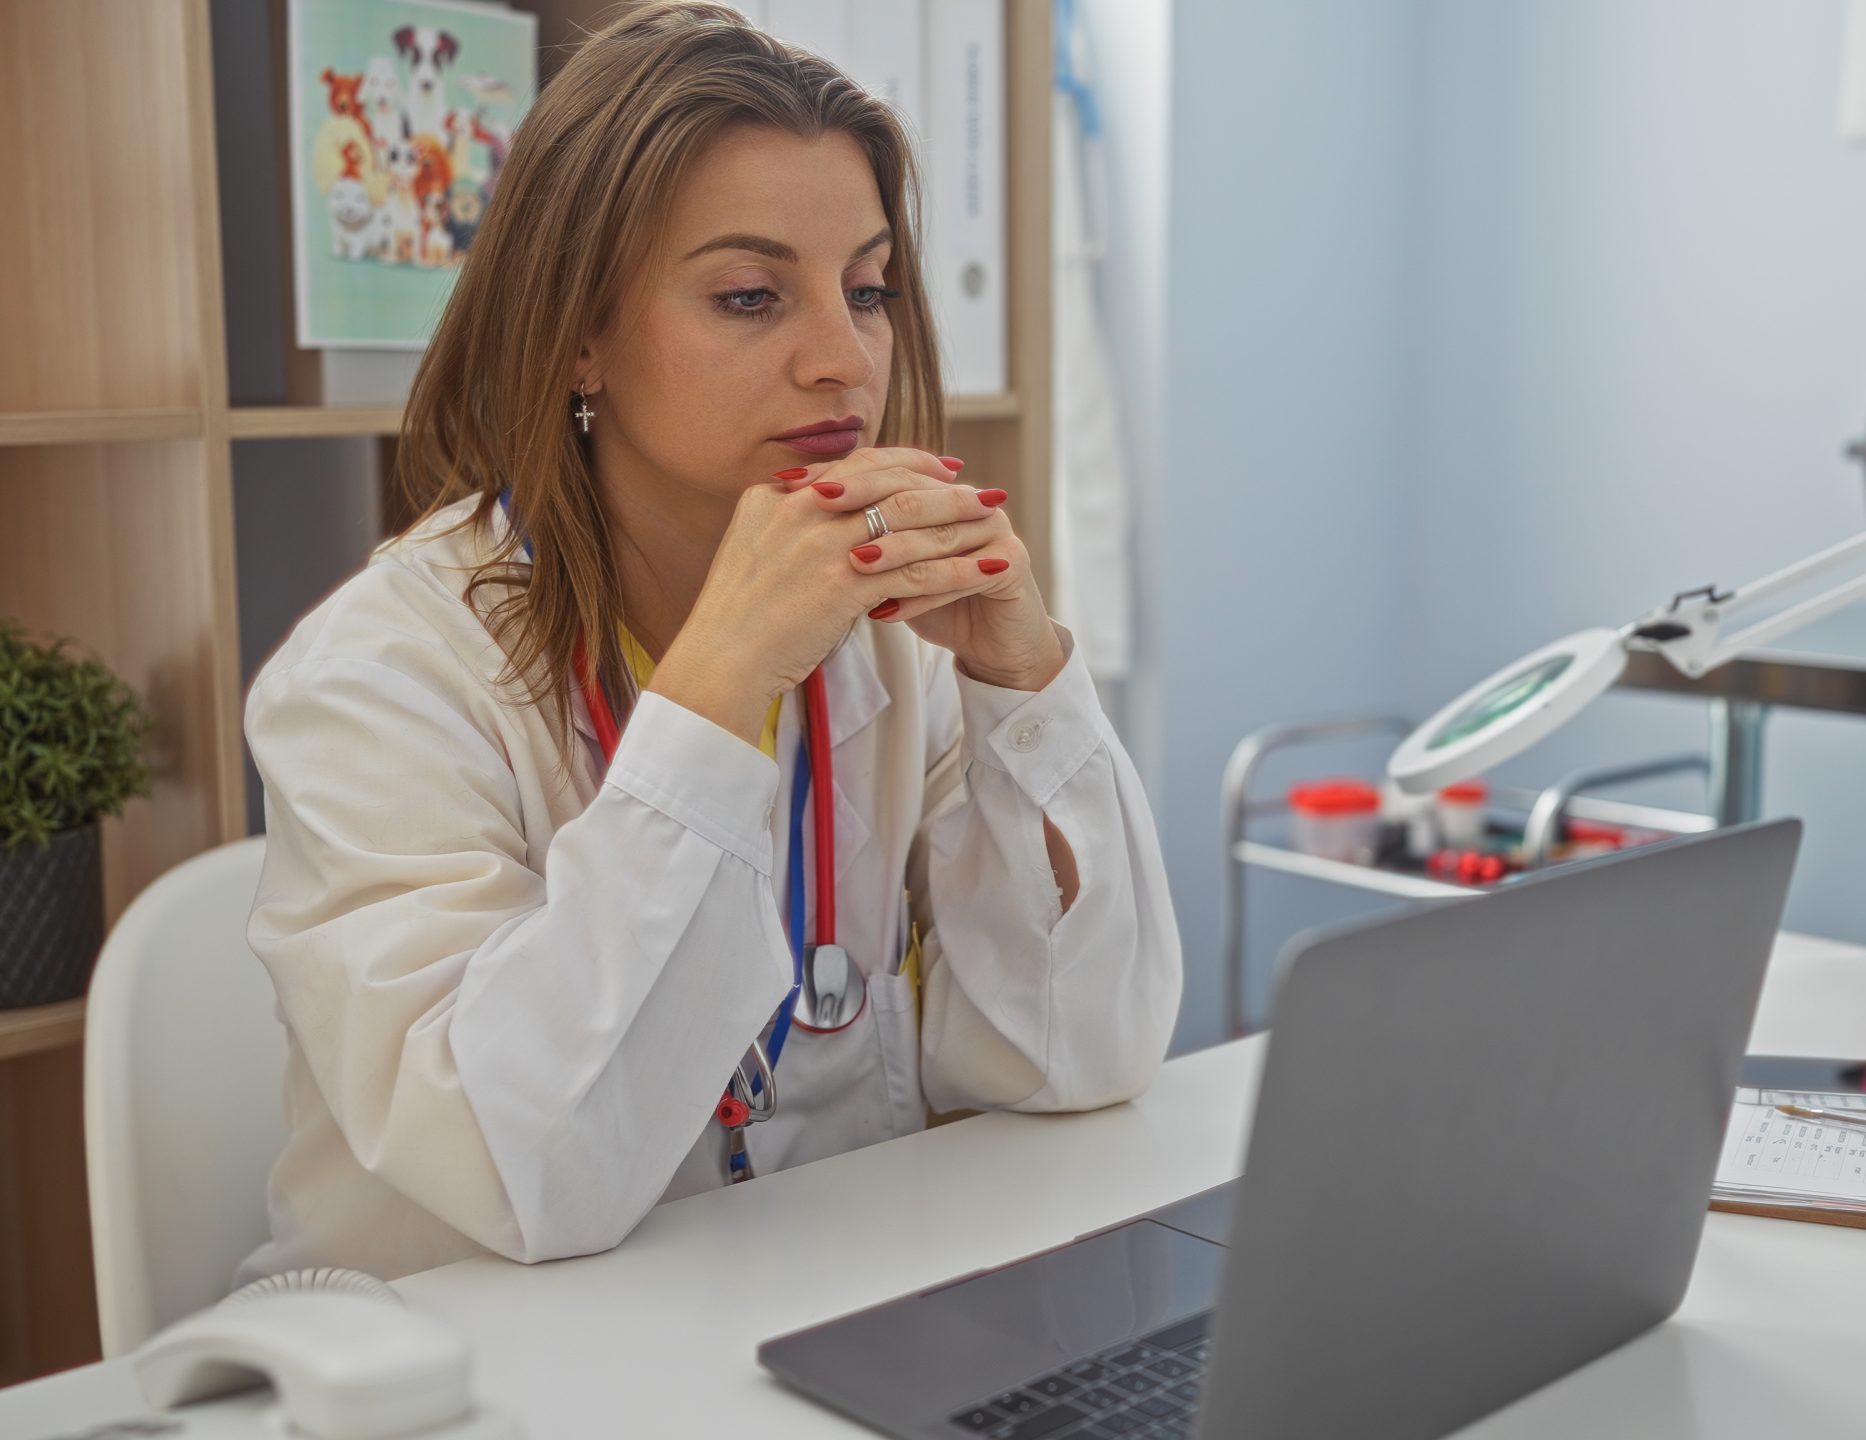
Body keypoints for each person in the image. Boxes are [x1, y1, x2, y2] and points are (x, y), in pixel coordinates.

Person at [237, 1, 1181, 1283]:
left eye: (867, 290)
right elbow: (525, 1174)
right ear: (577, 336)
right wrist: (718, 687)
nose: (845, 362)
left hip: (791, 1317)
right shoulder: (377, 677)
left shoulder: (893, 637)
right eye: (749, 296)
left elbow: (1076, 1057)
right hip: (465, 1367)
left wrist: (1023, 682)